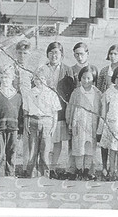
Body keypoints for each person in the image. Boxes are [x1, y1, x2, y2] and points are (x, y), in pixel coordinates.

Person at [36, 42, 74, 179]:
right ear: (47, 54)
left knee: (57, 141)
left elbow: (71, 91)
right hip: (44, 111)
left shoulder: (67, 70)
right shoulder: (41, 69)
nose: (54, 55)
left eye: (57, 53)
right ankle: (43, 167)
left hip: (60, 111)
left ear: (62, 55)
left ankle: (52, 167)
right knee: (45, 141)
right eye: (51, 52)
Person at [23, 70, 61, 178]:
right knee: (33, 150)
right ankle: (31, 174)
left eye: (42, 79)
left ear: (46, 80)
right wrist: (26, 124)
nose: (39, 81)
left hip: (47, 122)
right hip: (33, 121)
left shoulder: (51, 93)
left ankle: (45, 175)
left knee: (45, 151)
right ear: (33, 80)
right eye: (36, 78)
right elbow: (26, 110)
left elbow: (55, 113)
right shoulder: (30, 93)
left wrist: (53, 127)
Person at [66, 66, 101, 181]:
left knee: (89, 148)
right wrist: (70, 123)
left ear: (93, 79)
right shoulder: (76, 92)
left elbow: (100, 110)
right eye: (84, 78)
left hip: (91, 124)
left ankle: (87, 170)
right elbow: (70, 108)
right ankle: (79, 170)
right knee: (79, 148)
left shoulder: (97, 93)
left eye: (89, 78)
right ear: (80, 79)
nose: (86, 81)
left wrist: (99, 127)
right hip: (79, 123)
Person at [0, 63, 24, 176]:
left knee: (12, 151)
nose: (4, 80)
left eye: (7, 77)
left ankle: (10, 173)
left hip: (13, 128)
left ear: (12, 78)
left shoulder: (17, 95)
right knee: (0, 152)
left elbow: (20, 114)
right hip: (0, 128)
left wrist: (21, 130)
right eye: (2, 77)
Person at [96, 44, 118, 179]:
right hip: (105, 108)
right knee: (104, 138)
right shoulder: (103, 71)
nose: (113, 56)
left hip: (117, 110)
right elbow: (99, 89)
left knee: (116, 139)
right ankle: (104, 166)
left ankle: (116, 168)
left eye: (116, 54)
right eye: (111, 53)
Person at [13, 39, 33, 175]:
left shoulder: (32, 69)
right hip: (14, 106)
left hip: (27, 106)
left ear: (29, 53)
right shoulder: (11, 67)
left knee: (27, 137)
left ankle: (26, 167)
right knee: (14, 137)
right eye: (19, 53)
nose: (22, 56)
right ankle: (12, 166)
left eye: (25, 53)